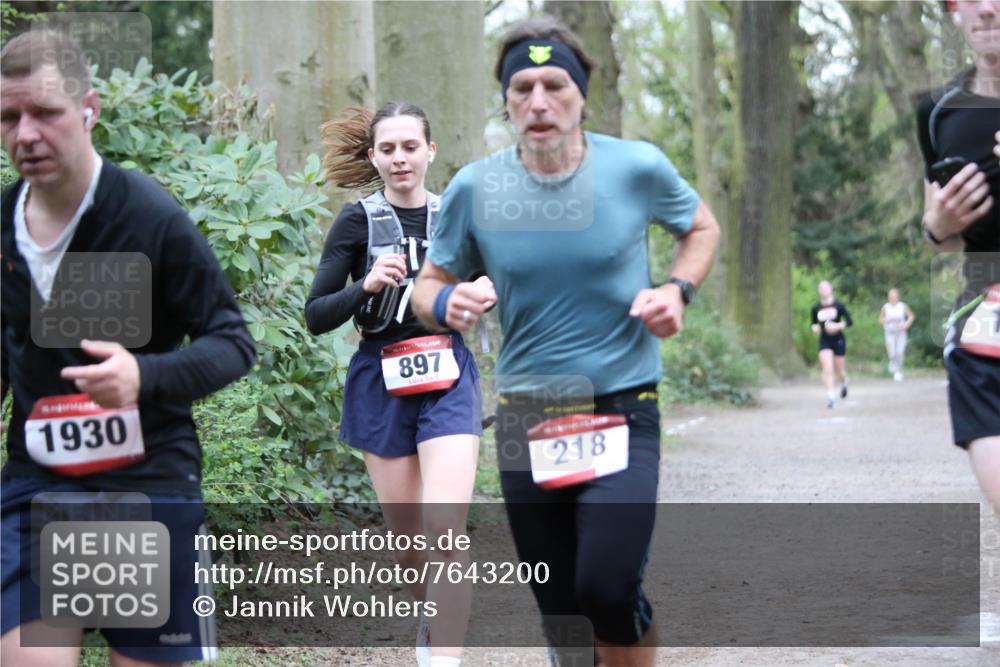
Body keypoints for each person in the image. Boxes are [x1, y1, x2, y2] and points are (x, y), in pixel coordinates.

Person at [412, 16, 720, 667]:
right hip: (527, 416)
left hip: (621, 405)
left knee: (607, 588)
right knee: (563, 615)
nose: (538, 102)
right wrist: (444, 302)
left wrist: (676, 290)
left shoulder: (636, 167)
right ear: (506, 101)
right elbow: (426, 285)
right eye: (522, 88)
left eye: (555, 85)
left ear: (582, 95)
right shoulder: (476, 187)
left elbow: (700, 228)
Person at [1, 30, 255, 666]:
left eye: (45, 112)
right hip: (39, 485)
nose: (26, 134)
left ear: (88, 109)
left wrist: (142, 376)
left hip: (144, 483)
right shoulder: (3, 225)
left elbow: (232, 343)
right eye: (8, 117)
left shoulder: (147, 216)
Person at [305, 102, 491, 667]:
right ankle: (431, 623)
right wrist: (364, 285)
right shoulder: (356, 222)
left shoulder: (456, 215)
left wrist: (486, 289)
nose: (400, 158)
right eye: (387, 149)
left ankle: (445, 658)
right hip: (380, 380)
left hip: (447, 376)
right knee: (410, 547)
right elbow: (316, 315)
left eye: (410, 146)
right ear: (373, 157)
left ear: (430, 151)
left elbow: (496, 275)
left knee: (445, 529)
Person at [916, 0, 1000, 509]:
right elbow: (937, 234)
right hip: (985, 326)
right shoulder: (937, 111)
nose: (988, 9)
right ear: (954, 12)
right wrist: (938, 228)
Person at [810, 281, 853, 409]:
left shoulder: (839, 305)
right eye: (821, 288)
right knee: (827, 367)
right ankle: (831, 397)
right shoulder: (816, 308)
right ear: (819, 291)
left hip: (838, 339)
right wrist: (814, 328)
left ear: (830, 289)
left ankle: (844, 381)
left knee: (840, 370)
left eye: (825, 288)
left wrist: (837, 326)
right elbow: (814, 323)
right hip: (825, 340)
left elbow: (849, 321)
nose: (823, 290)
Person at [879, 288, 915, 381]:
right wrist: (885, 320)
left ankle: (898, 372)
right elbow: (880, 320)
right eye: (891, 296)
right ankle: (894, 366)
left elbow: (911, 316)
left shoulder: (902, 306)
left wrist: (906, 324)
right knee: (892, 353)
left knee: (899, 352)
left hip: (901, 332)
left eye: (894, 296)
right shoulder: (885, 307)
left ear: (898, 297)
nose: (892, 298)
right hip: (890, 333)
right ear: (888, 297)